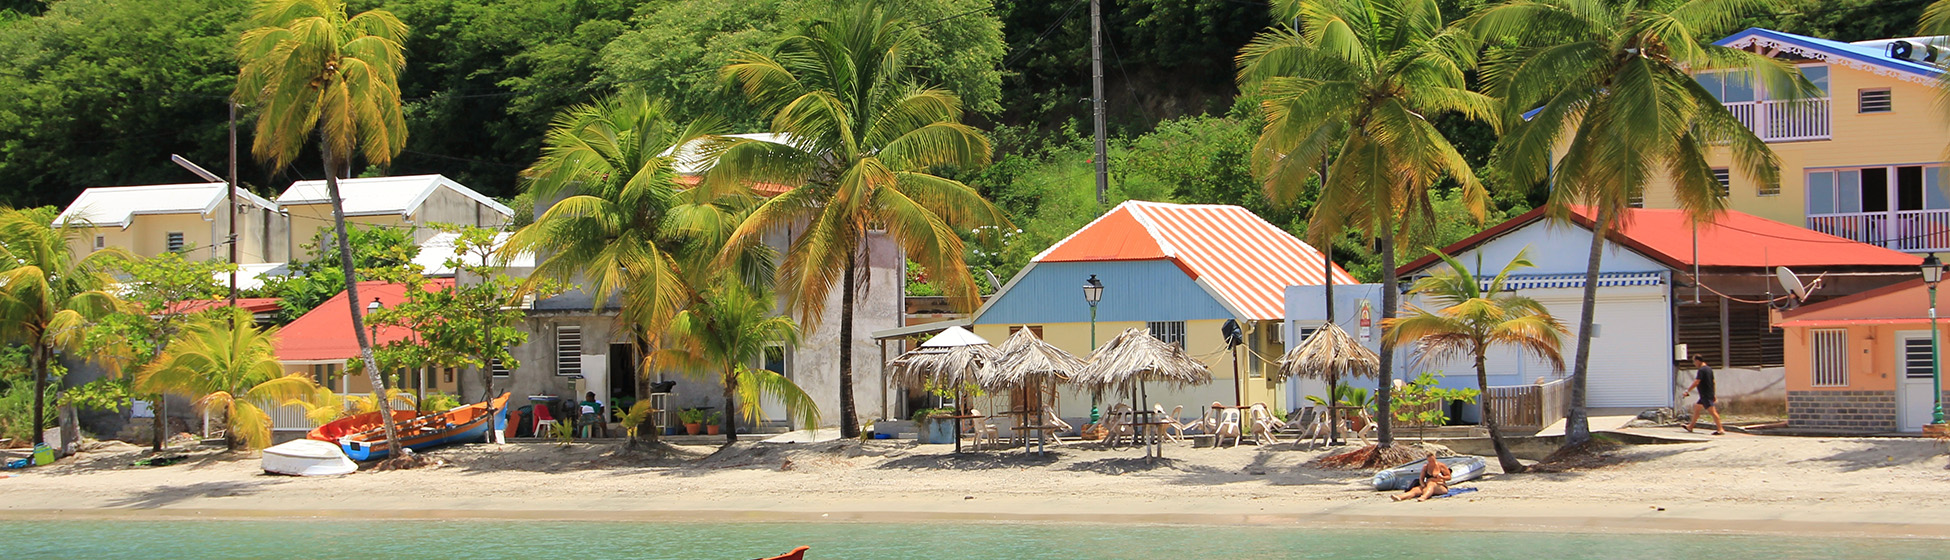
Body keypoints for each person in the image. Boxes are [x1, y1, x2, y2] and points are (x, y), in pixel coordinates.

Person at [1682, 354, 1724, 435]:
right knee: (1697, 408)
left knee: (1713, 412)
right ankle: (1690, 426)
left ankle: (1720, 429)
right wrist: (1713, 394)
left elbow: (1697, 382)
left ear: (1698, 361)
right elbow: (1713, 382)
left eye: (1694, 361)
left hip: (1706, 394)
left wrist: (1688, 391)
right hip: (1706, 394)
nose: (1694, 363)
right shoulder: (1709, 369)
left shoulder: (1701, 370)